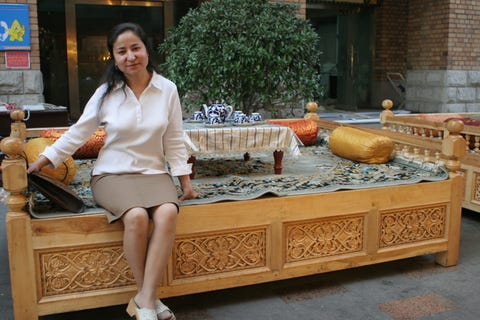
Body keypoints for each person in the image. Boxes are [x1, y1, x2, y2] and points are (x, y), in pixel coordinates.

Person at [27, 22, 198, 320]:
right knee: (135, 217)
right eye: (122, 51)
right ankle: (148, 299)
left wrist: (185, 181)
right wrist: (43, 160)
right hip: (111, 174)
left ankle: (145, 298)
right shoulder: (107, 93)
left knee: (168, 212)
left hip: (153, 173)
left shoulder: (167, 89)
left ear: (146, 49)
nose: (130, 56)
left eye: (135, 48)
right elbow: (78, 132)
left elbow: (173, 137)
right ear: (114, 58)